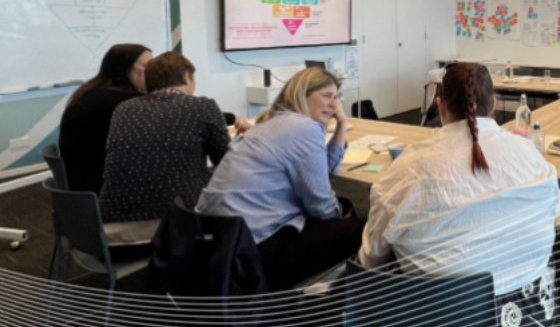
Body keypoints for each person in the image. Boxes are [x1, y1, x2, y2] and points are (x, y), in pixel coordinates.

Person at [359, 63, 560, 326]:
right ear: (493, 104)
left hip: (443, 312)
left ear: (440, 107)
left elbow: (371, 258)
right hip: (530, 309)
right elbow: (552, 214)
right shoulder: (530, 153)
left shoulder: (410, 167)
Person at [196, 67, 364, 291]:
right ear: (302, 94)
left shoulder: (270, 121)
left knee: (342, 207)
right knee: (368, 229)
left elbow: (324, 169)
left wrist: (341, 125)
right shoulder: (304, 128)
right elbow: (321, 207)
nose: (334, 106)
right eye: (327, 96)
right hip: (250, 251)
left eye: (335, 97)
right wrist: (340, 215)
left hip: (215, 239)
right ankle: (334, 298)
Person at [99, 52, 228, 223]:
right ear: (186, 77)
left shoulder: (124, 108)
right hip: (178, 217)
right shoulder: (202, 106)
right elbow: (226, 161)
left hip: (113, 217)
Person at [59, 44, 151, 194]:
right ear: (126, 68)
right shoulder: (124, 101)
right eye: (148, 66)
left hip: (78, 174)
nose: (153, 71)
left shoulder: (93, 89)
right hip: (97, 182)